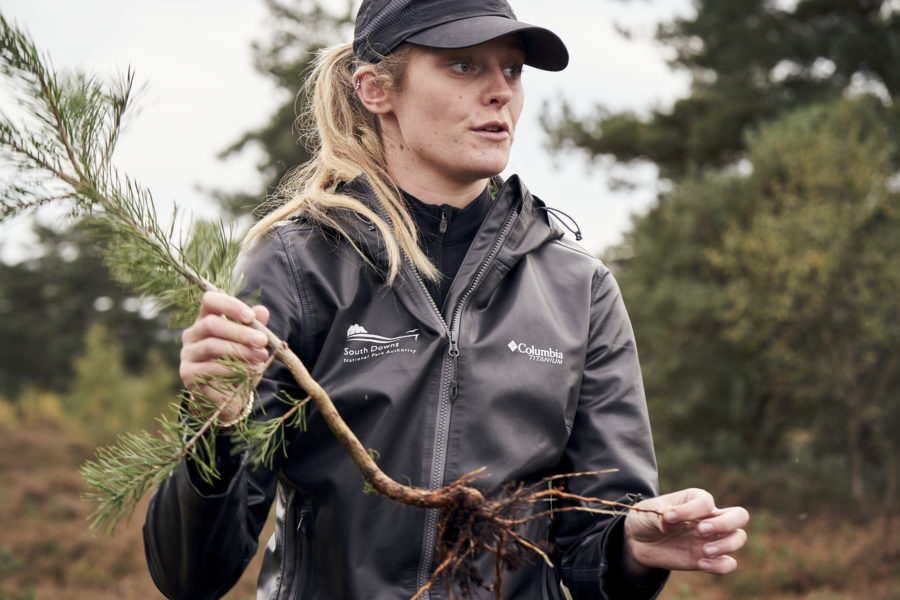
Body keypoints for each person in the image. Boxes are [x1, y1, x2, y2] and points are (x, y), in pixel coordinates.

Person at [143, 1, 750, 598]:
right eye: (464, 66)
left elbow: (594, 540)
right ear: (377, 89)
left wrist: (632, 548)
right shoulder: (296, 268)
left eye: (511, 70)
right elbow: (190, 575)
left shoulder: (579, 289)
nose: (500, 93)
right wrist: (215, 422)